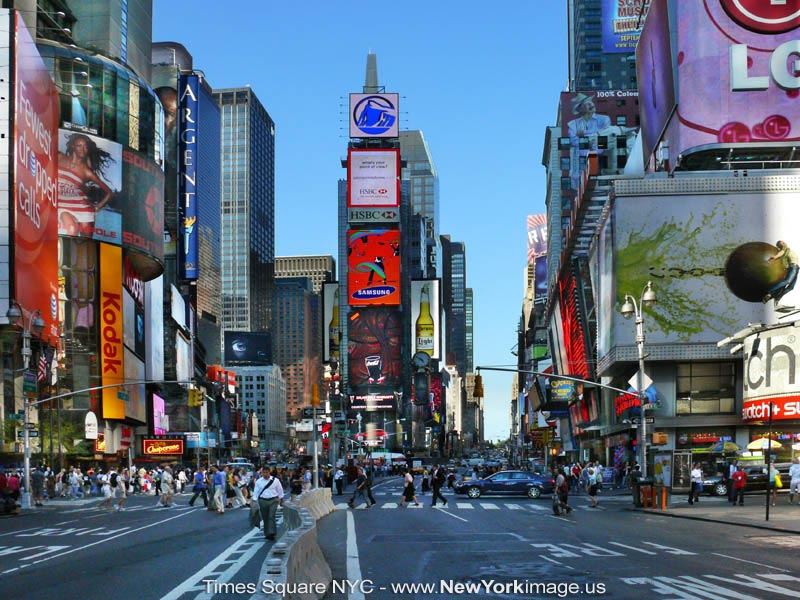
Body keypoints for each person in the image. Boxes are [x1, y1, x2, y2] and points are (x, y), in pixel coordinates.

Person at [58, 133, 116, 237]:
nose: (83, 149)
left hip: (83, 209)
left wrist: (98, 207)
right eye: (79, 145)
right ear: (72, 146)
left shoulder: (87, 172)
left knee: (86, 242)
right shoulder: (59, 157)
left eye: (85, 146)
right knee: (72, 229)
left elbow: (109, 193)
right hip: (62, 205)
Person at [253, 466, 285, 541]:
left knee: (271, 516)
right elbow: (256, 492)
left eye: (266, 472)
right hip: (263, 501)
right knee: (265, 517)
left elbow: (280, 490)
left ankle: (272, 532)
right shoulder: (259, 481)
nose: (265, 474)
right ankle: (267, 533)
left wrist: (282, 500)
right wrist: (254, 501)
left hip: (273, 500)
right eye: (263, 472)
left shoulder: (275, 480)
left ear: (269, 472)